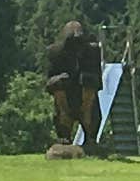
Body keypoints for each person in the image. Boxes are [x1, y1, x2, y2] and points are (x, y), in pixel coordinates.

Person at [44, 18, 106, 156]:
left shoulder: (92, 51)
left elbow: (96, 81)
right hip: (66, 97)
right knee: (60, 83)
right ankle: (64, 136)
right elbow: (50, 83)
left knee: (88, 83)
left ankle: (90, 138)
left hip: (86, 97)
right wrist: (59, 89)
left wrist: (87, 103)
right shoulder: (55, 53)